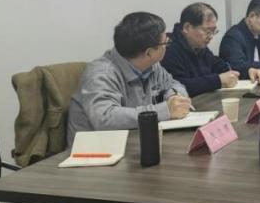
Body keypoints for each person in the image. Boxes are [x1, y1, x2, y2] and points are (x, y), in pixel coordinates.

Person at [67, 12, 191, 146]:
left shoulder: (152, 65)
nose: (167, 45)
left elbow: (172, 83)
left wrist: (174, 96)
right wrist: (164, 111)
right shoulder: (102, 74)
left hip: (132, 141)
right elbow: (104, 118)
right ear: (149, 52)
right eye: (166, 43)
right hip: (95, 149)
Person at [162, 3, 260, 97]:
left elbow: (221, 67)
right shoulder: (168, 49)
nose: (211, 36)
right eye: (207, 31)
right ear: (187, 27)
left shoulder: (199, 47)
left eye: (214, 31)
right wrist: (218, 80)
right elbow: (178, 85)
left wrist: (248, 71)